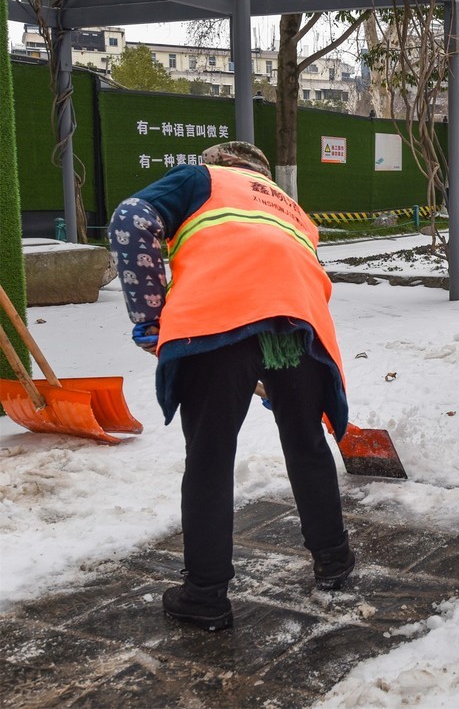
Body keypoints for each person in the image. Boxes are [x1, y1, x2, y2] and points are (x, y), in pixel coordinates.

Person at [107, 141, 355, 632]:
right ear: (262, 175)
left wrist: (151, 319)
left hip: (219, 321)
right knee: (305, 442)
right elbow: (279, 273)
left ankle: (204, 594)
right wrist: (274, 368)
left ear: (219, 164)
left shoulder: (202, 179)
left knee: (210, 456)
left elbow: (131, 217)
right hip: (300, 327)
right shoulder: (291, 208)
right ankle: (334, 560)